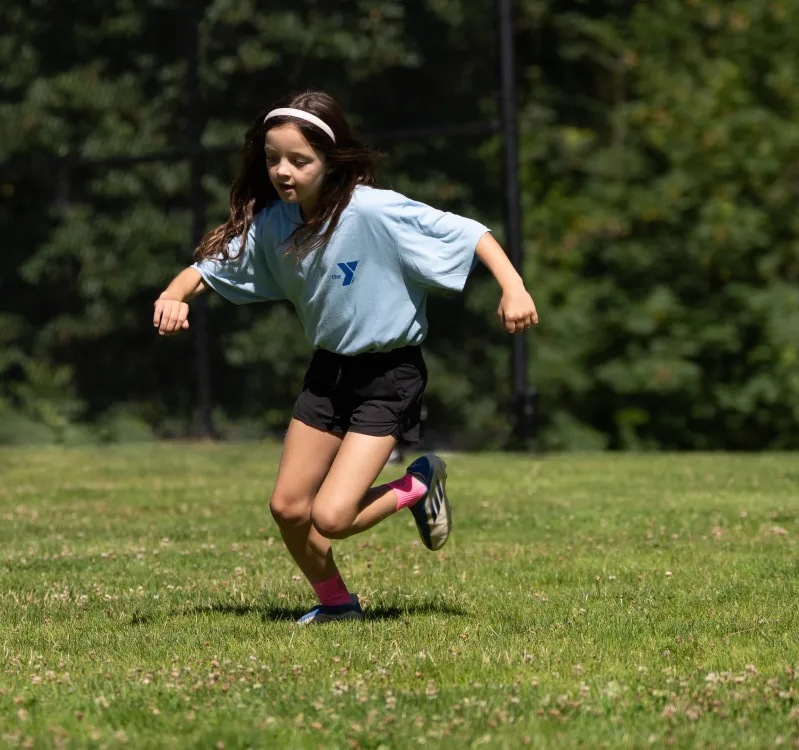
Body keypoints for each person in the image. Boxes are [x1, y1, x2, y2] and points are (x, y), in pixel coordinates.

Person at [150, 91, 539, 624]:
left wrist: (513, 287)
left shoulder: (373, 210)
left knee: (331, 517)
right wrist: (174, 295)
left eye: (298, 160)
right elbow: (210, 266)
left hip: (389, 376)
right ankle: (337, 606)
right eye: (271, 159)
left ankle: (419, 482)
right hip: (328, 375)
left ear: (331, 160)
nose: (282, 171)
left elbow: (471, 233)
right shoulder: (274, 222)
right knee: (288, 508)